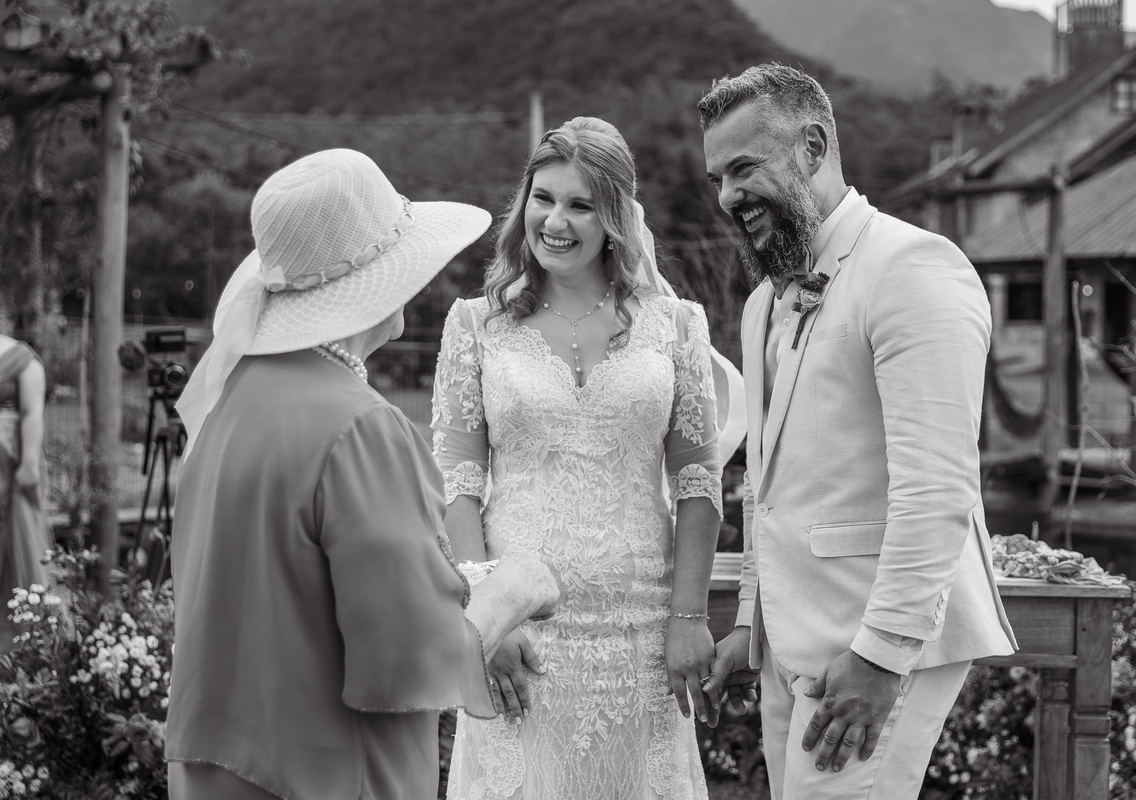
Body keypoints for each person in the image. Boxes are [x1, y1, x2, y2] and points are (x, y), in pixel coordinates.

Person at [167, 149, 559, 800]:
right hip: (324, 776)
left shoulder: (229, 408)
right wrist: (513, 589)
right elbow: (408, 663)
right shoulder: (361, 430)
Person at [698, 64, 1018, 800]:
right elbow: (766, 489)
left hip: (875, 645)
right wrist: (752, 623)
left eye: (744, 168)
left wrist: (880, 657)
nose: (726, 197)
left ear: (812, 146)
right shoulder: (760, 305)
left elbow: (937, 490)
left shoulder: (913, 268)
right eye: (717, 177)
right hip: (792, 639)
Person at [436, 117, 740, 799]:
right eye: (544, 198)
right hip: (522, 633)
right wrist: (490, 614)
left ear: (617, 217)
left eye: (581, 204)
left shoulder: (677, 324)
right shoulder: (474, 326)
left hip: (639, 634)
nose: (557, 221)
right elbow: (457, 483)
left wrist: (688, 618)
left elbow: (696, 483)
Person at [0, 334, 53, 654]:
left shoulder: (22, 360)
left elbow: (33, 413)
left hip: (9, 474)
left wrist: (29, 468)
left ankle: (17, 657)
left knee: (15, 565)